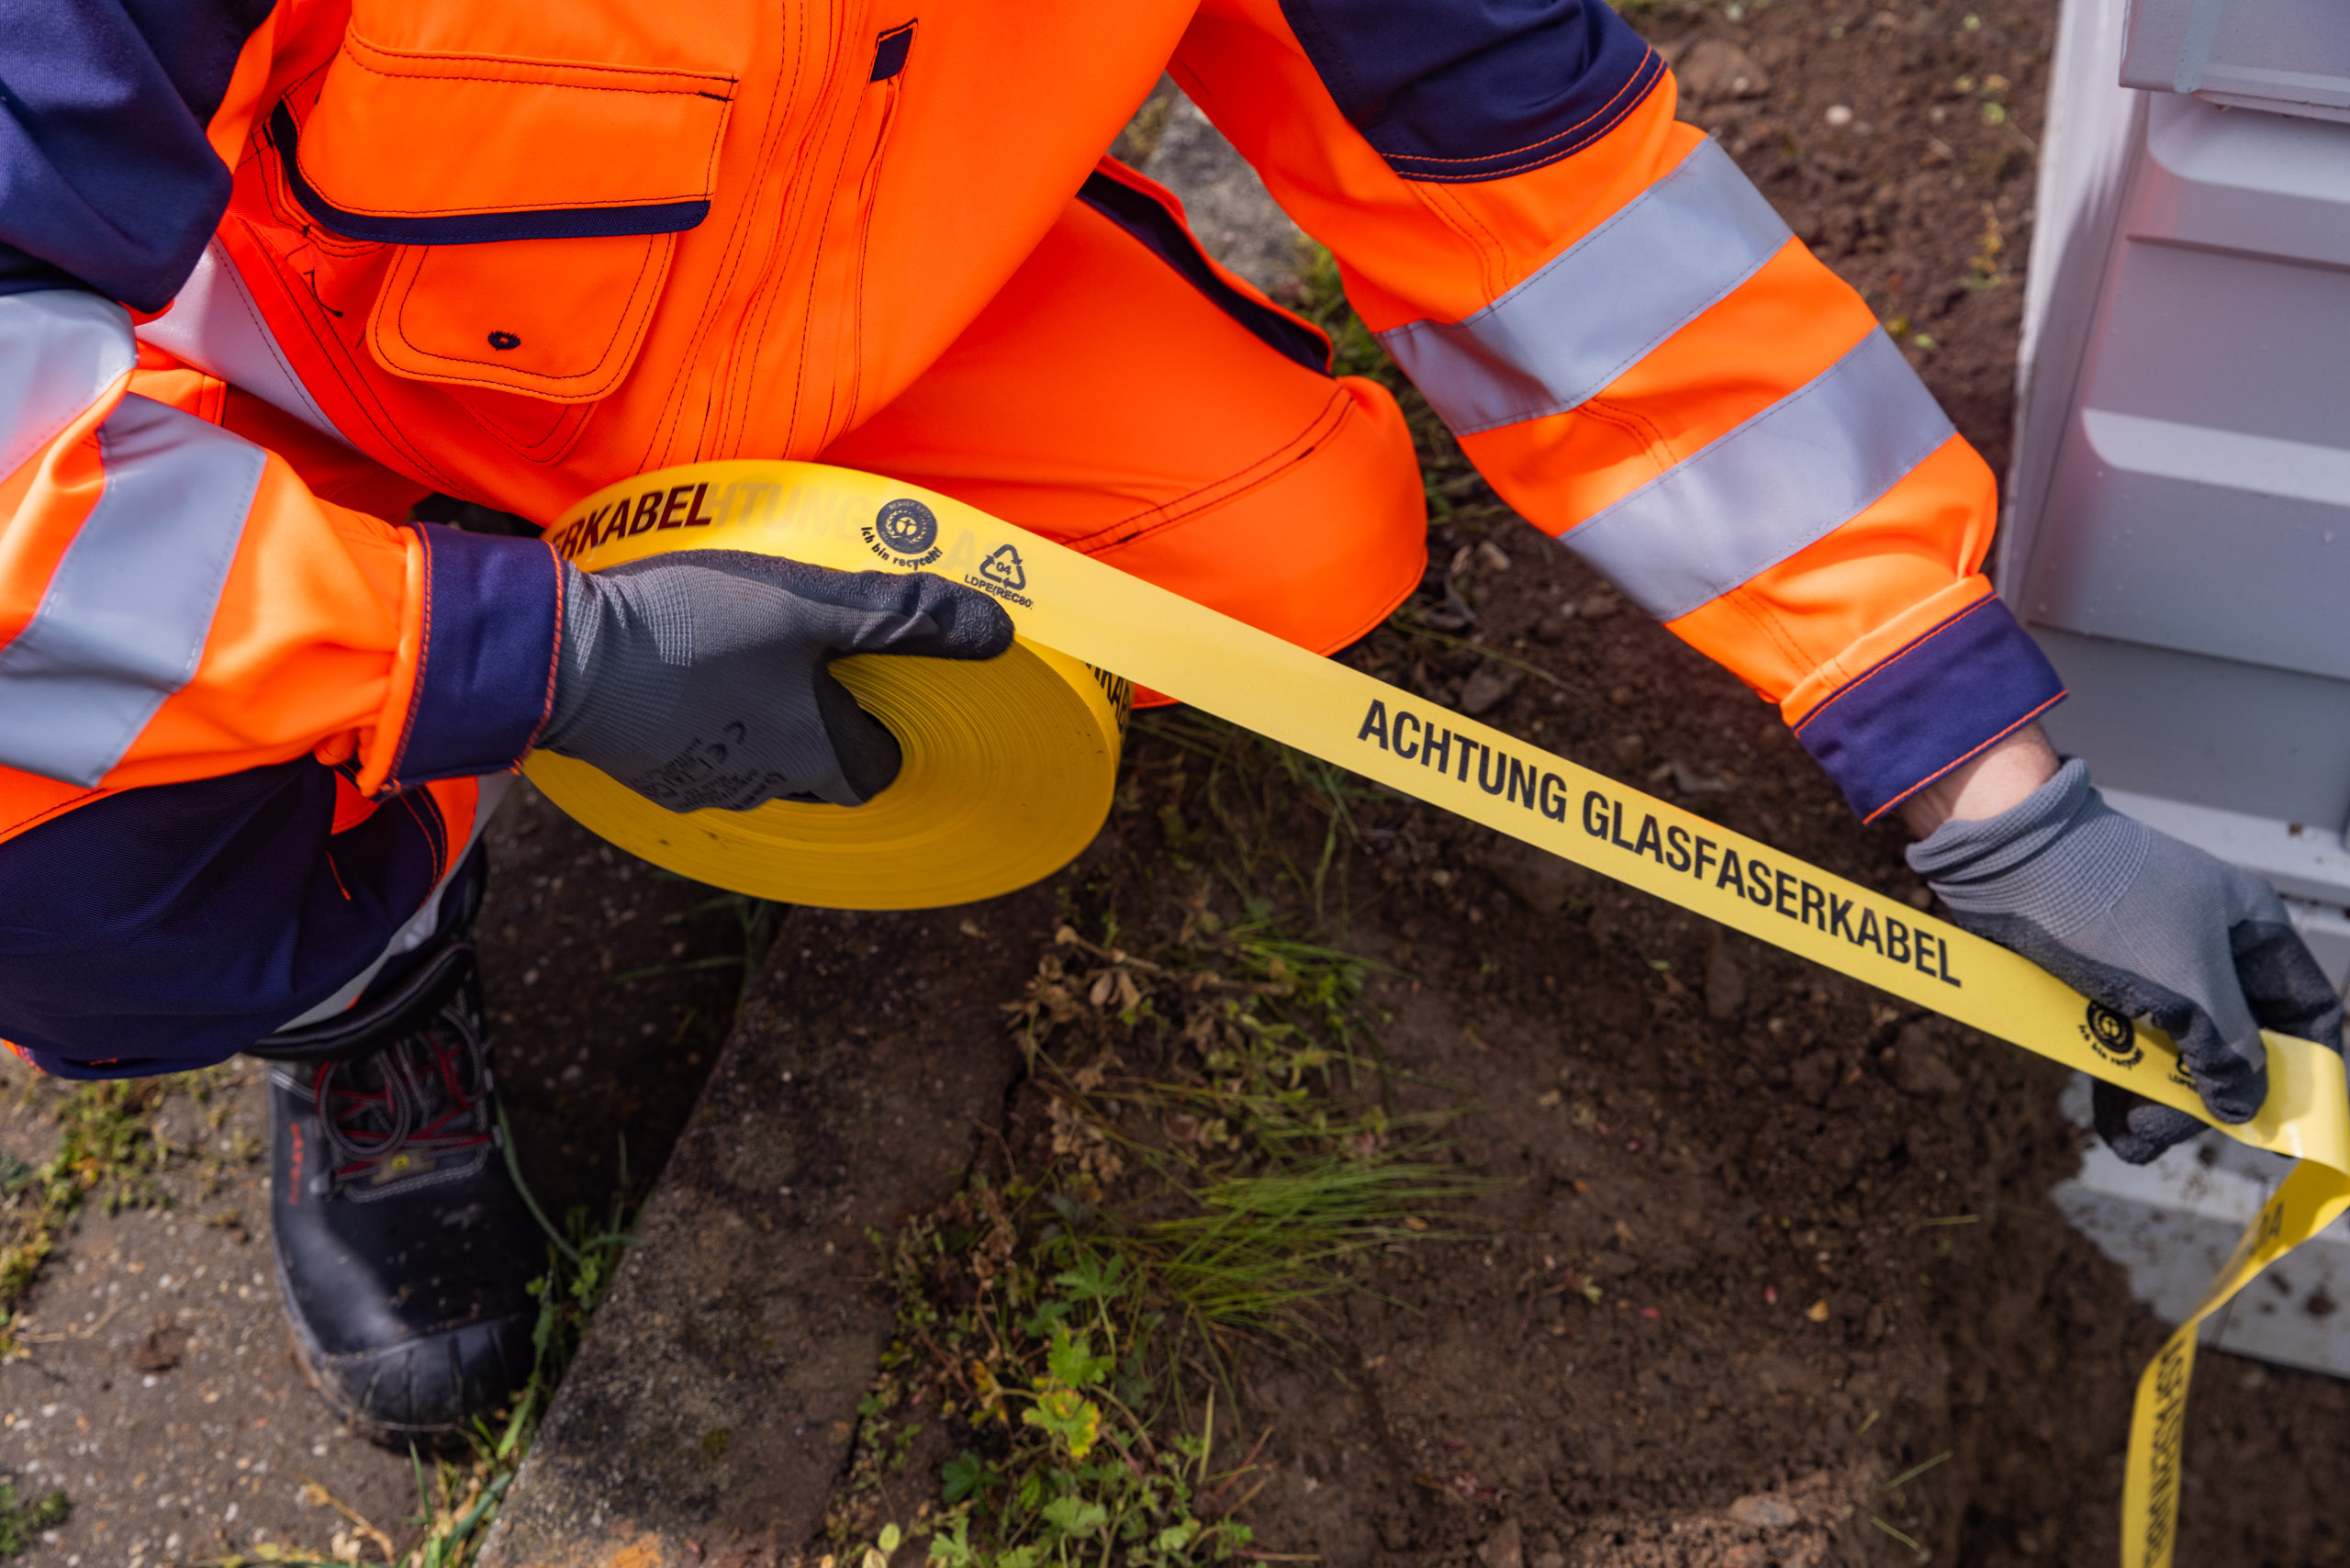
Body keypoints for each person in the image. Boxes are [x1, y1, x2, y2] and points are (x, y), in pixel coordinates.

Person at [2, 0, 2335, 1436]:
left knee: (1290, 540)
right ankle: (366, 981)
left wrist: (1985, 777)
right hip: (301, 406)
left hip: (818, 336)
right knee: (81, 865)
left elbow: (1549, 208)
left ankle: (676, 653)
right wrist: (527, 657)